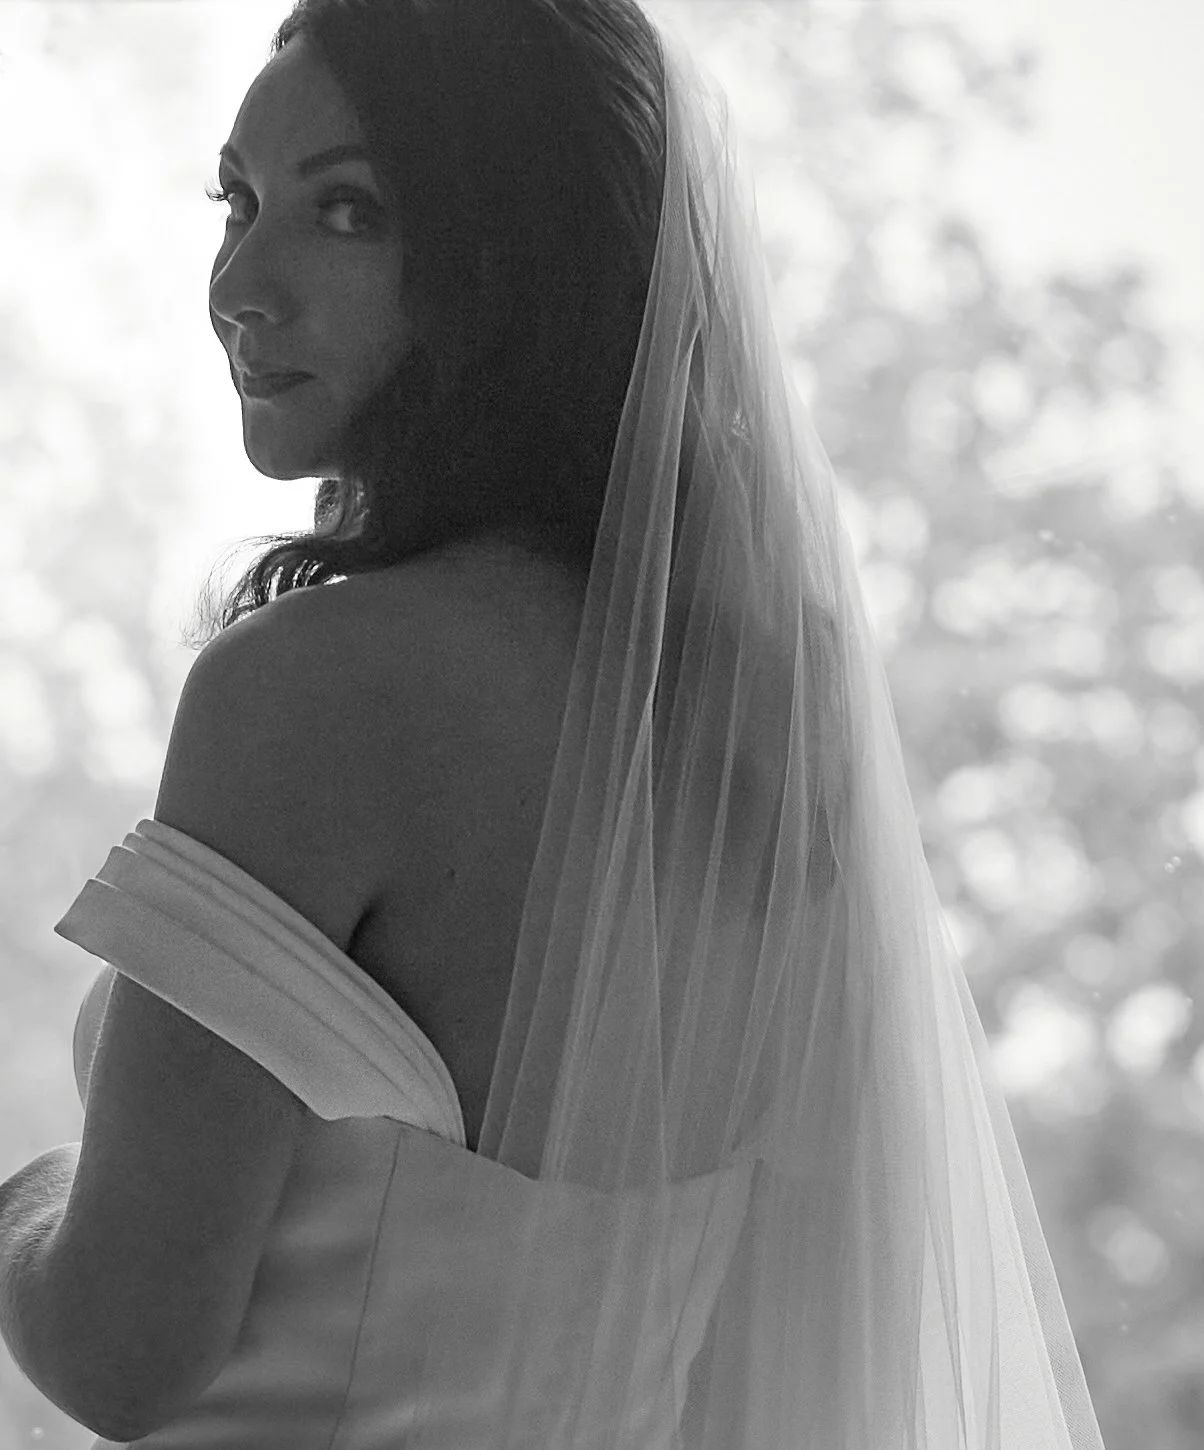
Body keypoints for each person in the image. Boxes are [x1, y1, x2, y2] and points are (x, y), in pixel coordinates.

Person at [0, 1, 1107, 1445]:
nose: (240, 281)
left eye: (346, 211)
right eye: (239, 200)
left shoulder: (319, 685)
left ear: (515, 258)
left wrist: (25, 1193)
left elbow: (117, 1346)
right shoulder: (761, 712)